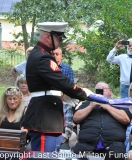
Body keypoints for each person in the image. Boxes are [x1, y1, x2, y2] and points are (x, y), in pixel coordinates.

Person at [22, 22, 92, 152]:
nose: (60, 42)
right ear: (48, 37)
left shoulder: (42, 54)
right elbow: (61, 81)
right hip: (44, 118)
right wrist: (85, 94)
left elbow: (52, 82)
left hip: (49, 117)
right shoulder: (42, 57)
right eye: (58, 38)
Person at [73, 81, 132, 160]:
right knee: (78, 153)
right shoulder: (88, 103)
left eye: (104, 89)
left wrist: (108, 107)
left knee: (117, 154)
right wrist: (91, 106)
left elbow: (126, 119)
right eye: (98, 89)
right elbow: (75, 119)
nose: (101, 91)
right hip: (87, 144)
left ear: (110, 92)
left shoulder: (118, 104)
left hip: (113, 144)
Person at [52, 47, 76, 149]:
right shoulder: (46, 68)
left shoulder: (67, 69)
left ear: (61, 56)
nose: (55, 56)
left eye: (57, 54)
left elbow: (71, 87)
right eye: (53, 54)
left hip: (63, 98)